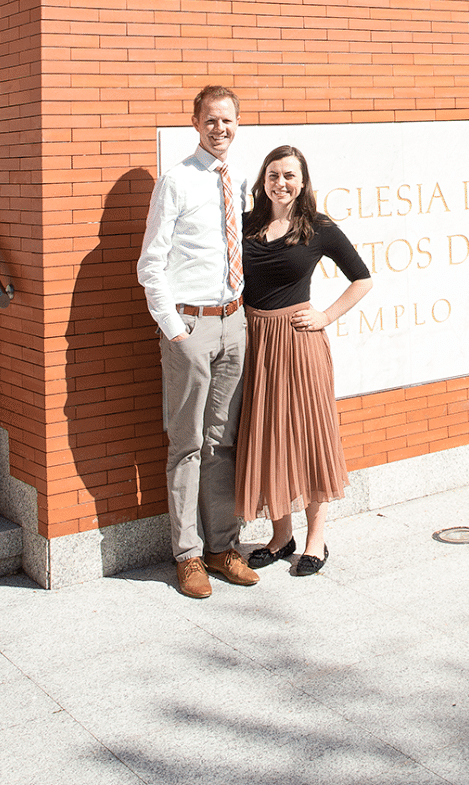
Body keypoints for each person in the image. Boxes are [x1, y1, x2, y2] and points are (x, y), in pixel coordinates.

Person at [137, 85, 258, 599]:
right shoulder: (177, 181)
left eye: (228, 121)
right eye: (211, 120)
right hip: (191, 328)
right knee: (186, 444)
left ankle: (222, 547)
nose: (220, 129)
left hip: (235, 323)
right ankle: (187, 555)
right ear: (195, 122)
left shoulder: (241, 181)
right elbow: (150, 264)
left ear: (237, 124)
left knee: (221, 442)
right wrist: (176, 332)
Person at [236, 144, 372, 575]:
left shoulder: (318, 228)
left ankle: (316, 539)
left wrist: (325, 316)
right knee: (267, 434)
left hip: (298, 344)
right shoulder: (245, 226)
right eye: (273, 175)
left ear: (302, 182)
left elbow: (362, 279)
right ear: (263, 180)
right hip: (256, 341)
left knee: (308, 434)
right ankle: (281, 535)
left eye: (289, 176)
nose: (281, 183)